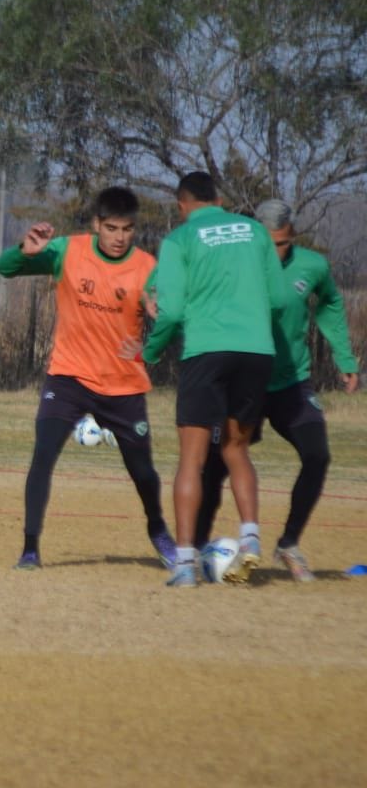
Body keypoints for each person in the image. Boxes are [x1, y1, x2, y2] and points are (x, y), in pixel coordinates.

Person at [0, 186, 177, 571]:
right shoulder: (68, 251)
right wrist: (25, 250)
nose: (119, 237)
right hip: (69, 377)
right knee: (43, 456)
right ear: (96, 224)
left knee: (143, 472)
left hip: (123, 386)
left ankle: (158, 529)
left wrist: (157, 327)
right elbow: (4, 268)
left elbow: (169, 316)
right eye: (111, 228)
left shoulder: (147, 267)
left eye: (127, 229)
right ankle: (30, 549)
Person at [190, 198, 357, 583]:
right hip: (242, 382)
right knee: (215, 468)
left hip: (290, 382)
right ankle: (194, 550)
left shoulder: (312, 266)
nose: (275, 251)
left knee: (317, 455)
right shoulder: (234, 266)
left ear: (292, 235)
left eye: (282, 243)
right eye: (267, 244)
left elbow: (330, 303)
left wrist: (345, 357)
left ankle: (289, 544)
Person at [143, 171, 286, 588]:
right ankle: (251, 537)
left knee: (192, 458)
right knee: (236, 449)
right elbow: (279, 298)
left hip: (207, 350)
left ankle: (185, 564)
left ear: (182, 205)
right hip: (256, 351)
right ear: (219, 200)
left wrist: (150, 351)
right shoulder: (255, 231)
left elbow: (170, 311)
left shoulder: (180, 239)